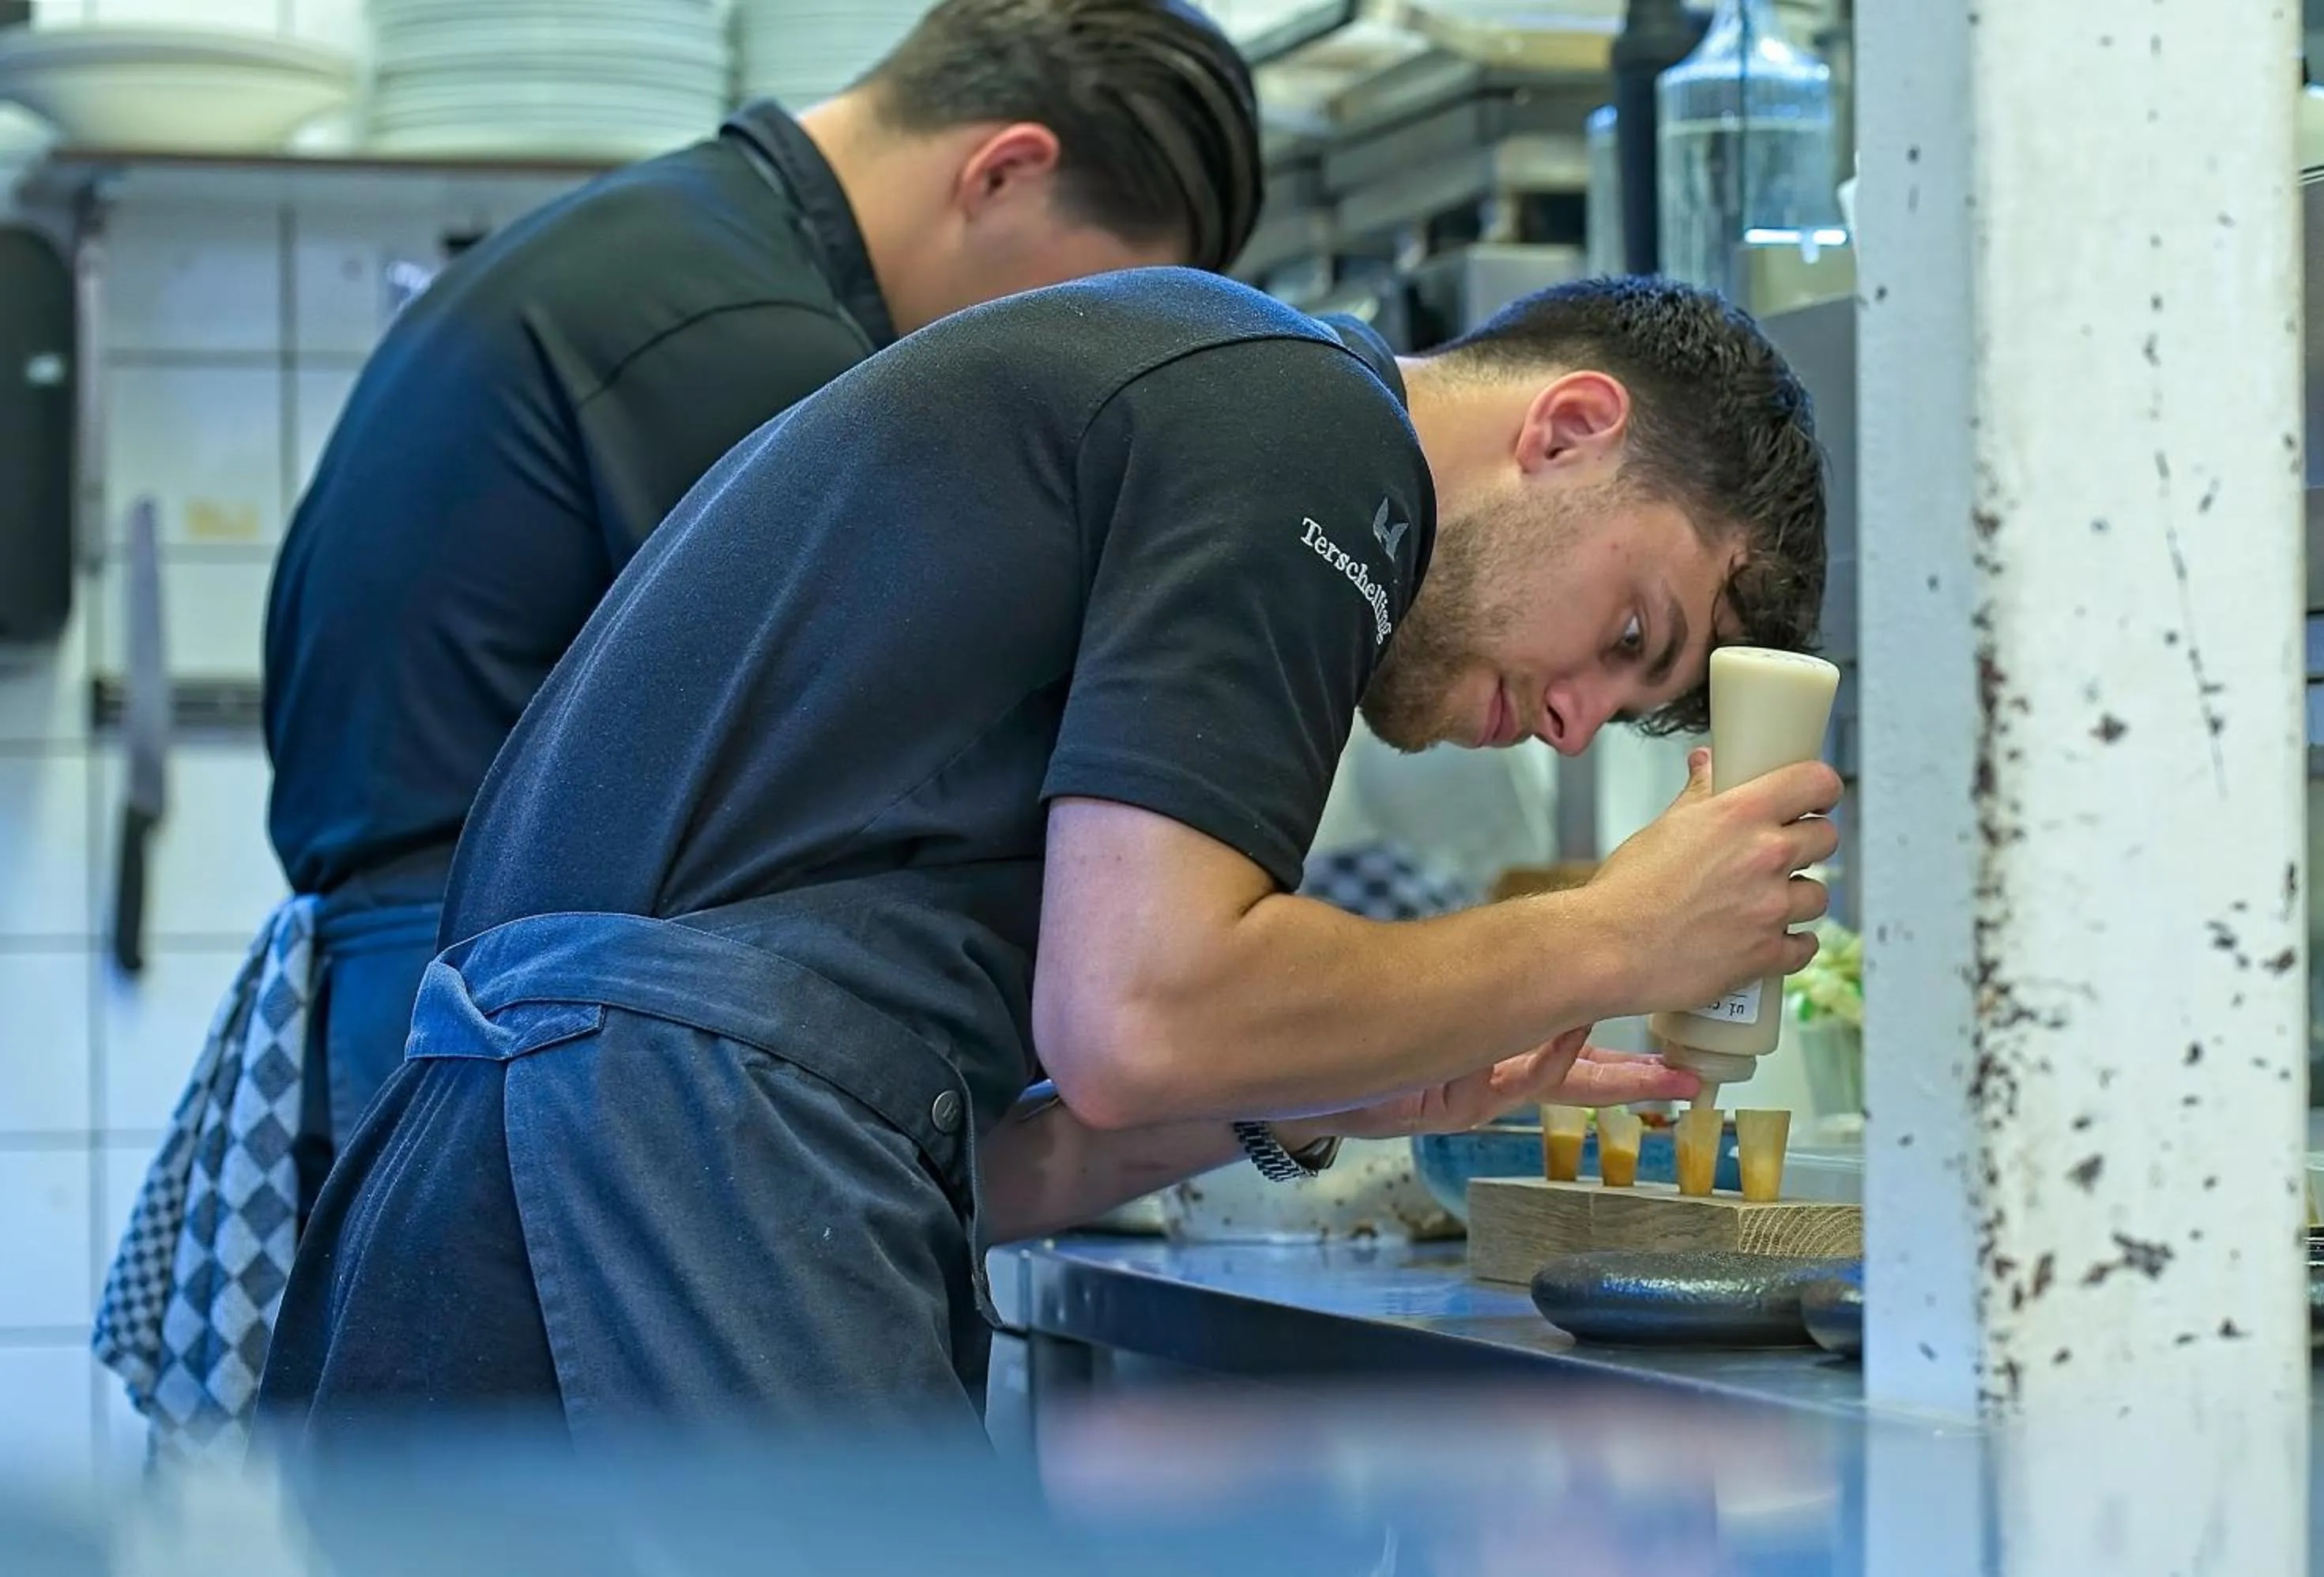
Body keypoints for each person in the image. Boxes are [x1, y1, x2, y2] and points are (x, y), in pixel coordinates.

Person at [255, 268, 1836, 1444]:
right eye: (1629, 633)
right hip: (642, 1193)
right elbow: (1134, 1013)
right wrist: (1624, 933)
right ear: (1566, 429)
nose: (1572, 721)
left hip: (494, 1214)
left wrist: (1291, 1092)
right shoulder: (1310, 430)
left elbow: (996, 1143)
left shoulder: (1192, 411)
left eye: (1629, 709)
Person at [93, 0, 1260, 1464]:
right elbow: (920, 771)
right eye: (1110, 308)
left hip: (453, 999)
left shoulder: (666, 256)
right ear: (1005, 171)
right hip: (505, 1034)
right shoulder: (739, 340)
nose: (1088, 370)